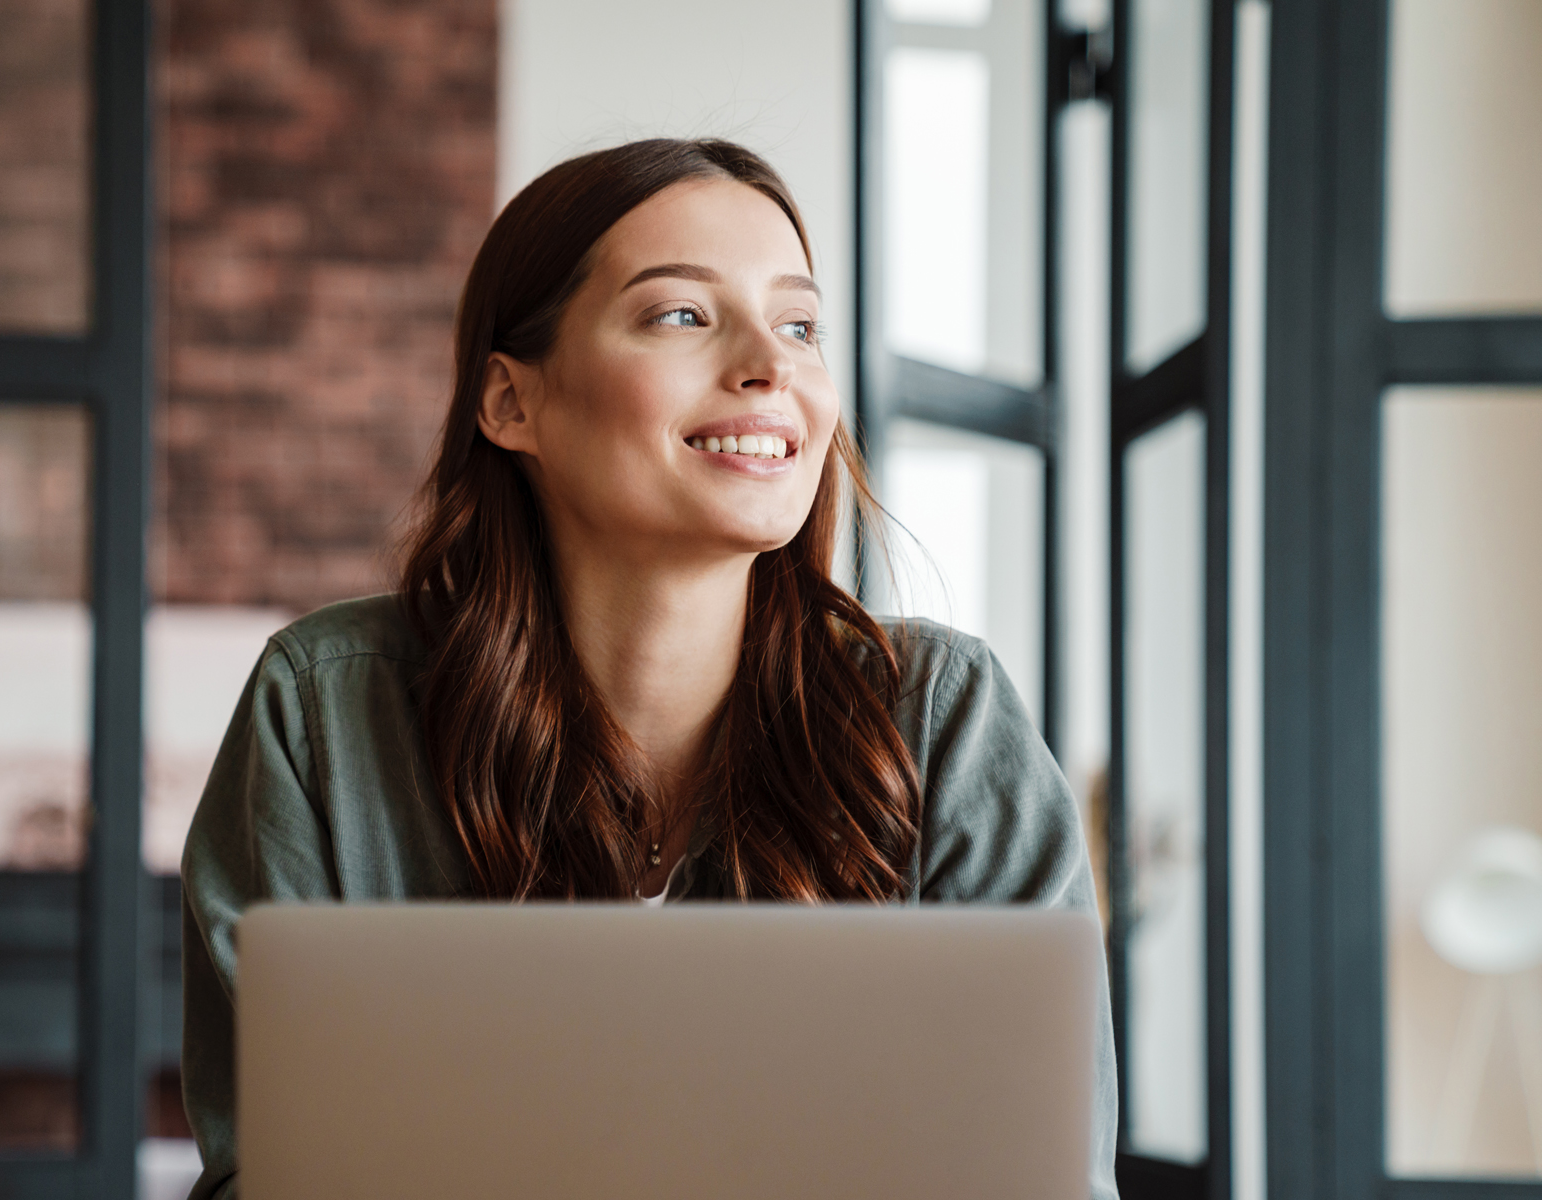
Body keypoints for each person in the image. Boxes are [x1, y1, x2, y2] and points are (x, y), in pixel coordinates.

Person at [180, 137, 1119, 1200]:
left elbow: (1048, 1180)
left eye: (800, 325)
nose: (771, 365)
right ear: (510, 403)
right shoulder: (322, 710)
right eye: (682, 313)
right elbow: (266, 1172)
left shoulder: (942, 721)